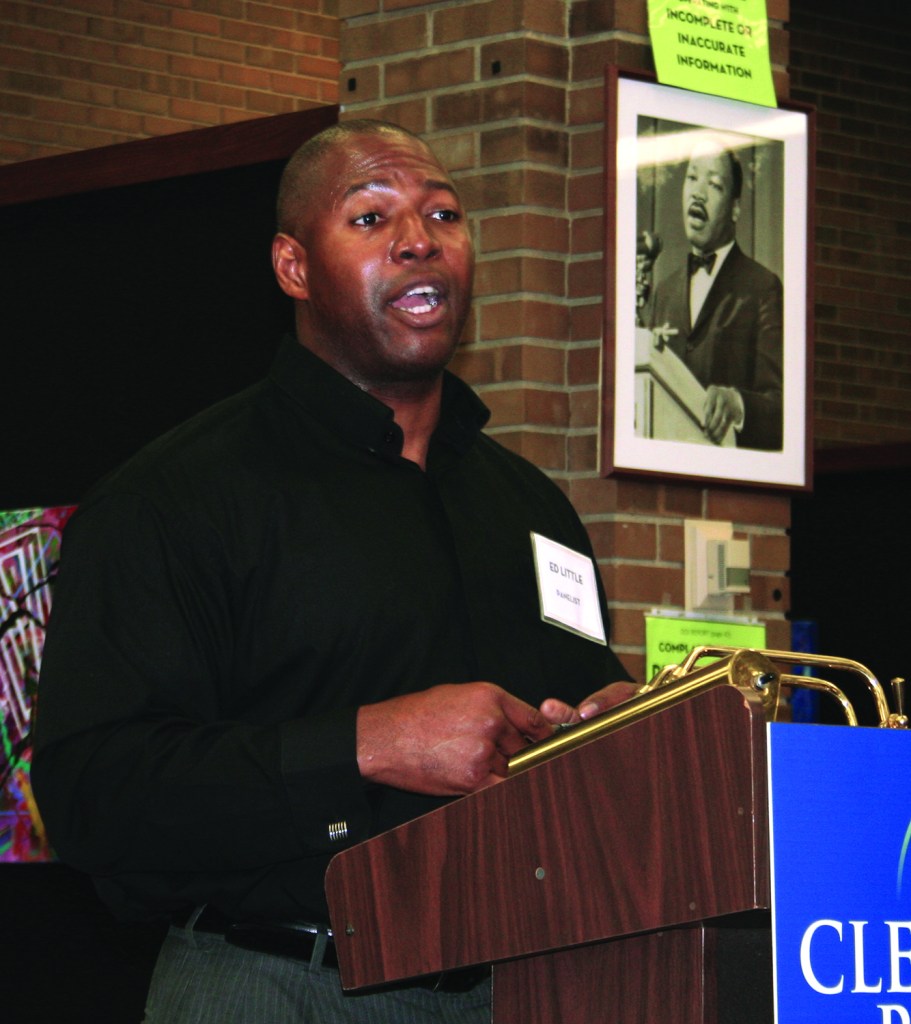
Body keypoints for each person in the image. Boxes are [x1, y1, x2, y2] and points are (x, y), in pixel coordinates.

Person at [31, 119, 635, 1023]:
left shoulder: (531, 507)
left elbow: (583, 694)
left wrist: (618, 726)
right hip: (279, 981)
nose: (419, 239)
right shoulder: (176, 497)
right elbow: (92, 795)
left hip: (523, 987)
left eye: (442, 214)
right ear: (293, 267)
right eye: (369, 218)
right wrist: (369, 744)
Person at [647, 135, 783, 450]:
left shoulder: (762, 288)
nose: (698, 192)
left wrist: (738, 404)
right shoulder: (664, 292)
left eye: (714, 185)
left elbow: (783, 411)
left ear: (735, 209)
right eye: (692, 178)